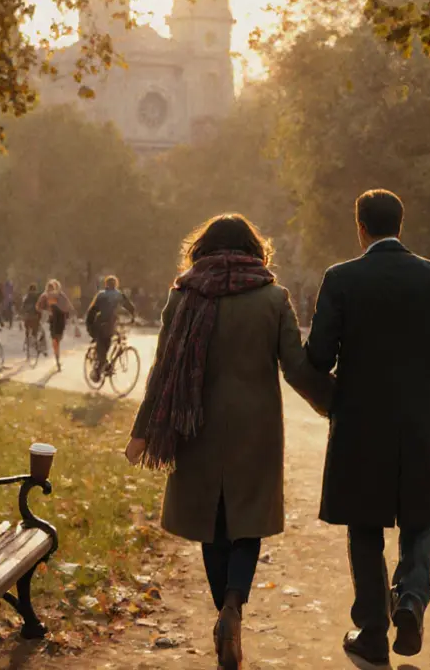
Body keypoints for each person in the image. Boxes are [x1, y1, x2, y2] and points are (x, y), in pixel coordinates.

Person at [126, 214, 332, 670]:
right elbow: (296, 367)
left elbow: (162, 369)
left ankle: (224, 614)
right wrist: (335, 404)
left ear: (202, 249)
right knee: (247, 521)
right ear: (254, 249)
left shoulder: (183, 296)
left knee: (211, 523)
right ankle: (234, 607)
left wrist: (143, 431)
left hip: (193, 424)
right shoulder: (273, 297)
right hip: (254, 428)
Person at [304, 189, 430, 664]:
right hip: (423, 422)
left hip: (361, 422)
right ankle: (413, 599)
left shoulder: (341, 279)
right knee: (423, 517)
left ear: (360, 228)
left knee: (364, 525)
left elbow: (319, 356)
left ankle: (373, 632)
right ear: (402, 225)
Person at [85, 276, 136, 383]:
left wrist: (90, 326)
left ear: (106, 284)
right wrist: (133, 318)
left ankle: (102, 368)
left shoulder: (101, 295)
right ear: (116, 284)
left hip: (101, 324)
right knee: (106, 344)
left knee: (103, 347)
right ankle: (103, 367)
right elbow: (130, 307)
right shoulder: (119, 295)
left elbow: (91, 312)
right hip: (111, 324)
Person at [37, 279, 75, 371]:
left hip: (54, 321)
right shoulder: (60, 295)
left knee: (56, 341)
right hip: (60, 320)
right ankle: (57, 359)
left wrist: (46, 311)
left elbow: (38, 307)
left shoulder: (45, 296)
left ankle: (57, 358)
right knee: (57, 340)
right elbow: (69, 306)